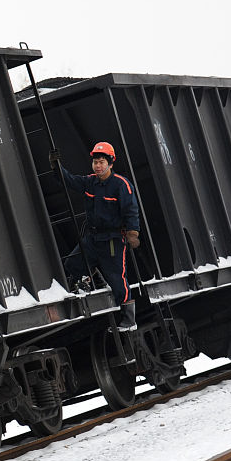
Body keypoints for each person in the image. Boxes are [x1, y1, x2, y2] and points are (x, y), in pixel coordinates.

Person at [49, 141, 141, 330]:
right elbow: (70, 180)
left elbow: (131, 210)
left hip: (113, 241)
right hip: (93, 238)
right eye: (95, 162)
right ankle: (94, 279)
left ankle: (129, 320)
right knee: (73, 263)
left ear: (110, 163)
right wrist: (56, 166)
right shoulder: (90, 182)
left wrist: (133, 234)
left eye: (101, 162)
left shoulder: (121, 185)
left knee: (118, 279)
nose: (98, 166)